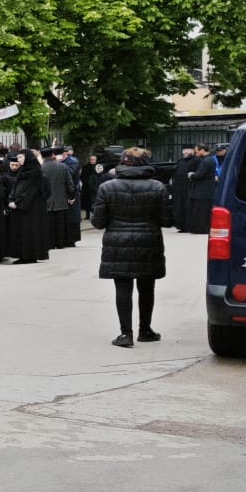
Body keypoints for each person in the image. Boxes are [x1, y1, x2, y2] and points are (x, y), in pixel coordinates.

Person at [92, 146, 168, 348]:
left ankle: (126, 334)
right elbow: (167, 220)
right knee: (147, 288)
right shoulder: (158, 187)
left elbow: (98, 222)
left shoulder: (107, 187)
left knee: (123, 287)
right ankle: (145, 330)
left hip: (117, 243)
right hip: (148, 242)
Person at [6, 148, 50, 265]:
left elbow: (29, 191)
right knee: (23, 230)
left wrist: (17, 203)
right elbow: (17, 187)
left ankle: (29, 256)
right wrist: (11, 199)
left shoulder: (34, 172)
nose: (19, 159)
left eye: (21, 157)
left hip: (31, 208)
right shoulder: (24, 170)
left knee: (29, 231)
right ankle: (24, 255)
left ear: (27, 158)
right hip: (24, 207)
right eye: (18, 157)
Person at [182, 143, 219, 236]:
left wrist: (191, 175)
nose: (196, 153)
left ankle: (200, 229)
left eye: (197, 151)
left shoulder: (206, 161)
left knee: (200, 211)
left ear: (202, 150)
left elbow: (199, 175)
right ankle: (203, 228)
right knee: (205, 211)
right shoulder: (210, 159)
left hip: (202, 191)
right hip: (207, 190)